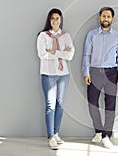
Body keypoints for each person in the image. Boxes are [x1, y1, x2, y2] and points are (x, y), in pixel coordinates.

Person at [82, 7, 118, 149]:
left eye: (108, 16)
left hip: (111, 73)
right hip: (94, 72)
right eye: (103, 16)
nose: (105, 19)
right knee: (92, 103)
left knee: (110, 105)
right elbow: (86, 55)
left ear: (112, 19)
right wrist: (86, 72)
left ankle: (106, 136)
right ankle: (99, 131)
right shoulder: (91, 35)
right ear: (99, 18)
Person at [37, 8, 75, 150]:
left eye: (57, 18)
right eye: (52, 18)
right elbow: (42, 54)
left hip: (63, 74)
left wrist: (53, 51)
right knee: (50, 105)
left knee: (60, 104)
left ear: (61, 20)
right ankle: (50, 136)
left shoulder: (66, 36)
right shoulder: (43, 36)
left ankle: (57, 133)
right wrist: (61, 53)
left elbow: (70, 55)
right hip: (48, 74)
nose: (55, 21)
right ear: (49, 20)